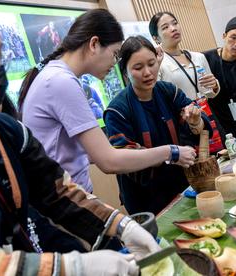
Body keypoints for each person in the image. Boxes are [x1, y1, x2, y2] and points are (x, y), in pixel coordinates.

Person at [0, 1, 160, 275]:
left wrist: (120, 225)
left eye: (2, 53)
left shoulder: (5, 130)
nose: (0, 65)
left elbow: (58, 191)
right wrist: (72, 267)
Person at [18, 9, 188, 193]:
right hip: (62, 198)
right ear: (94, 44)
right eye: (115, 54)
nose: (114, 62)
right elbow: (109, 161)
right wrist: (172, 151)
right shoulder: (61, 81)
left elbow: (93, 153)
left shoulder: (56, 76)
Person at [104, 36, 213, 215]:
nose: (148, 72)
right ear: (125, 72)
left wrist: (195, 122)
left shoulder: (168, 91)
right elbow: (126, 159)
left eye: (152, 63)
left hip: (183, 186)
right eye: (138, 68)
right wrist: (171, 154)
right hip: (146, 200)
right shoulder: (117, 111)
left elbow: (202, 128)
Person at [148, 11, 223, 154]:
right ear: (155, 38)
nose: (173, 28)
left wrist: (214, 86)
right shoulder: (159, 63)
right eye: (165, 27)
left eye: (175, 23)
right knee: (198, 167)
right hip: (183, 122)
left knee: (222, 158)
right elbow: (155, 96)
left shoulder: (198, 57)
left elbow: (210, 93)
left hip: (208, 115)